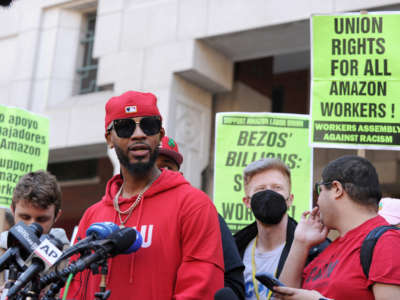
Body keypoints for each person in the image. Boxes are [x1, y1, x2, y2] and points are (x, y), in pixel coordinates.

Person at [66, 91, 224, 300]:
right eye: (125, 127)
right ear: (109, 139)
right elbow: (74, 289)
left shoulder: (194, 205)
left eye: (148, 125)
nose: (138, 133)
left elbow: (200, 290)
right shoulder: (93, 215)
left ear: (160, 134)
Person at [276, 155, 400, 300]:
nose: (317, 201)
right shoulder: (330, 249)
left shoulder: (387, 241)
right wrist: (300, 243)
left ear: (336, 189)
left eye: (320, 190)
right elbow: (282, 296)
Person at [156, 135, 245, 300]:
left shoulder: (202, 212)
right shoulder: (122, 215)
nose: (160, 173)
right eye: (152, 167)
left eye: (167, 167)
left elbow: (234, 283)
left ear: (180, 174)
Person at [234, 158, 328, 300]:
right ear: (247, 202)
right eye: (261, 189)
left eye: (277, 188)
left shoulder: (316, 250)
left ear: (290, 199)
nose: (269, 194)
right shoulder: (234, 250)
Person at [0, 170, 69, 287]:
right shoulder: (2, 247)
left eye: (41, 220)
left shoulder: (68, 258)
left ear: (56, 216)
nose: (31, 226)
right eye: (25, 217)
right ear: (13, 210)